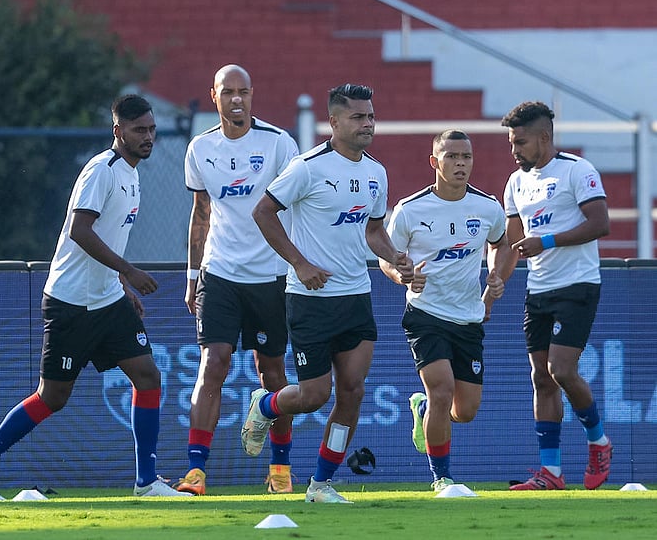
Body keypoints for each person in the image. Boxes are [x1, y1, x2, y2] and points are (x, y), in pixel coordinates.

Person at [0, 95, 190, 500]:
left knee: (148, 376)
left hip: (107, 299)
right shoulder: (102, 170)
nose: (148, 137)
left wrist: (120, 287)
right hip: (71, 303)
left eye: (152, 129)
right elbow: (80, 232)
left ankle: (146, 481)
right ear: (118, 131)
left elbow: (109, 235)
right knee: (53, 397)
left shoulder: (133, 175)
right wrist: (128, 271)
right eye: (140, 130)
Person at [247, 83, 414, 503]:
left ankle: (320, 485)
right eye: (358, 117)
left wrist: (396, 257)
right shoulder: (308, 167)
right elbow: (263, 212)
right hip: (309, 300)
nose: (368, 124)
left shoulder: (377, 172)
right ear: (335, 122)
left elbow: (374, 230)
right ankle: (267, 407)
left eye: (371, 116)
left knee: (353, 391)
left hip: (356, 296)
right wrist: (300, 264)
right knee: (313, 395)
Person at [174, 64, 300, 496]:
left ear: (252, 94)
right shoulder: (199, 148)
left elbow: (294, 208)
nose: (236, 100)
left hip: (270, 276)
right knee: (214, 364)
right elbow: (201, 214)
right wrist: (193, 278)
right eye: (228, 92)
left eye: (243, 92)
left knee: (273, 373)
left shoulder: (279, 143)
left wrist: (298, 264)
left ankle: (280, 471)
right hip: (220, 272)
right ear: (214, 96)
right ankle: (195, 473)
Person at [379, 130, 512, 492]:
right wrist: (402, 275)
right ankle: (442, 478)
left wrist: (495, 277)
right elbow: (386, 258)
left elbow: (501, 244)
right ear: (434, 162)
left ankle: (424, 413)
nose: (460, 164)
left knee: (464, 411)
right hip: (426, 315)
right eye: (452, 157)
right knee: (441, 390)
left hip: (468, 318)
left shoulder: (487, 207)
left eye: (466, 157)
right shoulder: (410, 210)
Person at [498, 101, 612, 490]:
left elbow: (600, 224)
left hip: (577, 284)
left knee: (561, 370)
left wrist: (545, 240)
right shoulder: (516, 182)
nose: (514, 150)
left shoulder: (577, 170)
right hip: (538, 289)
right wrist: (494, 285)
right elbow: (513, 243)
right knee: (540, 378)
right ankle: (552, 472)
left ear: (544, 137)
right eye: (511, 142)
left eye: (521, 141)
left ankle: (598, 442)